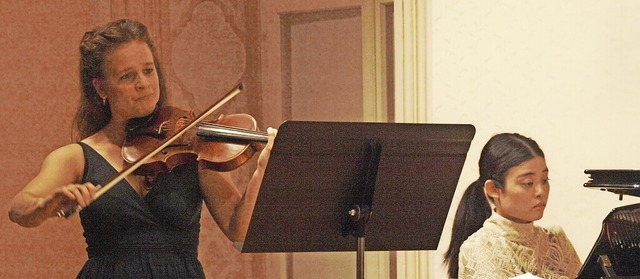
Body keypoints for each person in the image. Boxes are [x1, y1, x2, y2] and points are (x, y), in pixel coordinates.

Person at [8, 18, 276, 278]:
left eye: (149, 70)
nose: (144, 84)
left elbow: (238, 231)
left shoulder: (192, 146)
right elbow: (19, 210)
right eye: (127, 76)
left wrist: (262, 169)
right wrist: (48, 203)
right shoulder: (75, 157)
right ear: (101, 87)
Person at [443, 133, 581, 279]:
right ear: (493, 189)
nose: (541, 191)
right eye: (528, 183)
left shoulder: (556, 240)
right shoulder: (481, 248)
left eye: (545, 180)